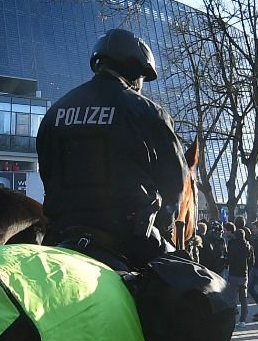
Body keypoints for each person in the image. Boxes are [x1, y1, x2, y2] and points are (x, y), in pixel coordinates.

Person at [35, 28, 187, 267]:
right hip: (129, 239)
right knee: (192, 290)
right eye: (143, 77)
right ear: (134, 70)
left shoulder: (55, 112)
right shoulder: (146, 111)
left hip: (61, 235)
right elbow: (175, 183)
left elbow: (47, 172)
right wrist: (165, 226)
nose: (142, 84)